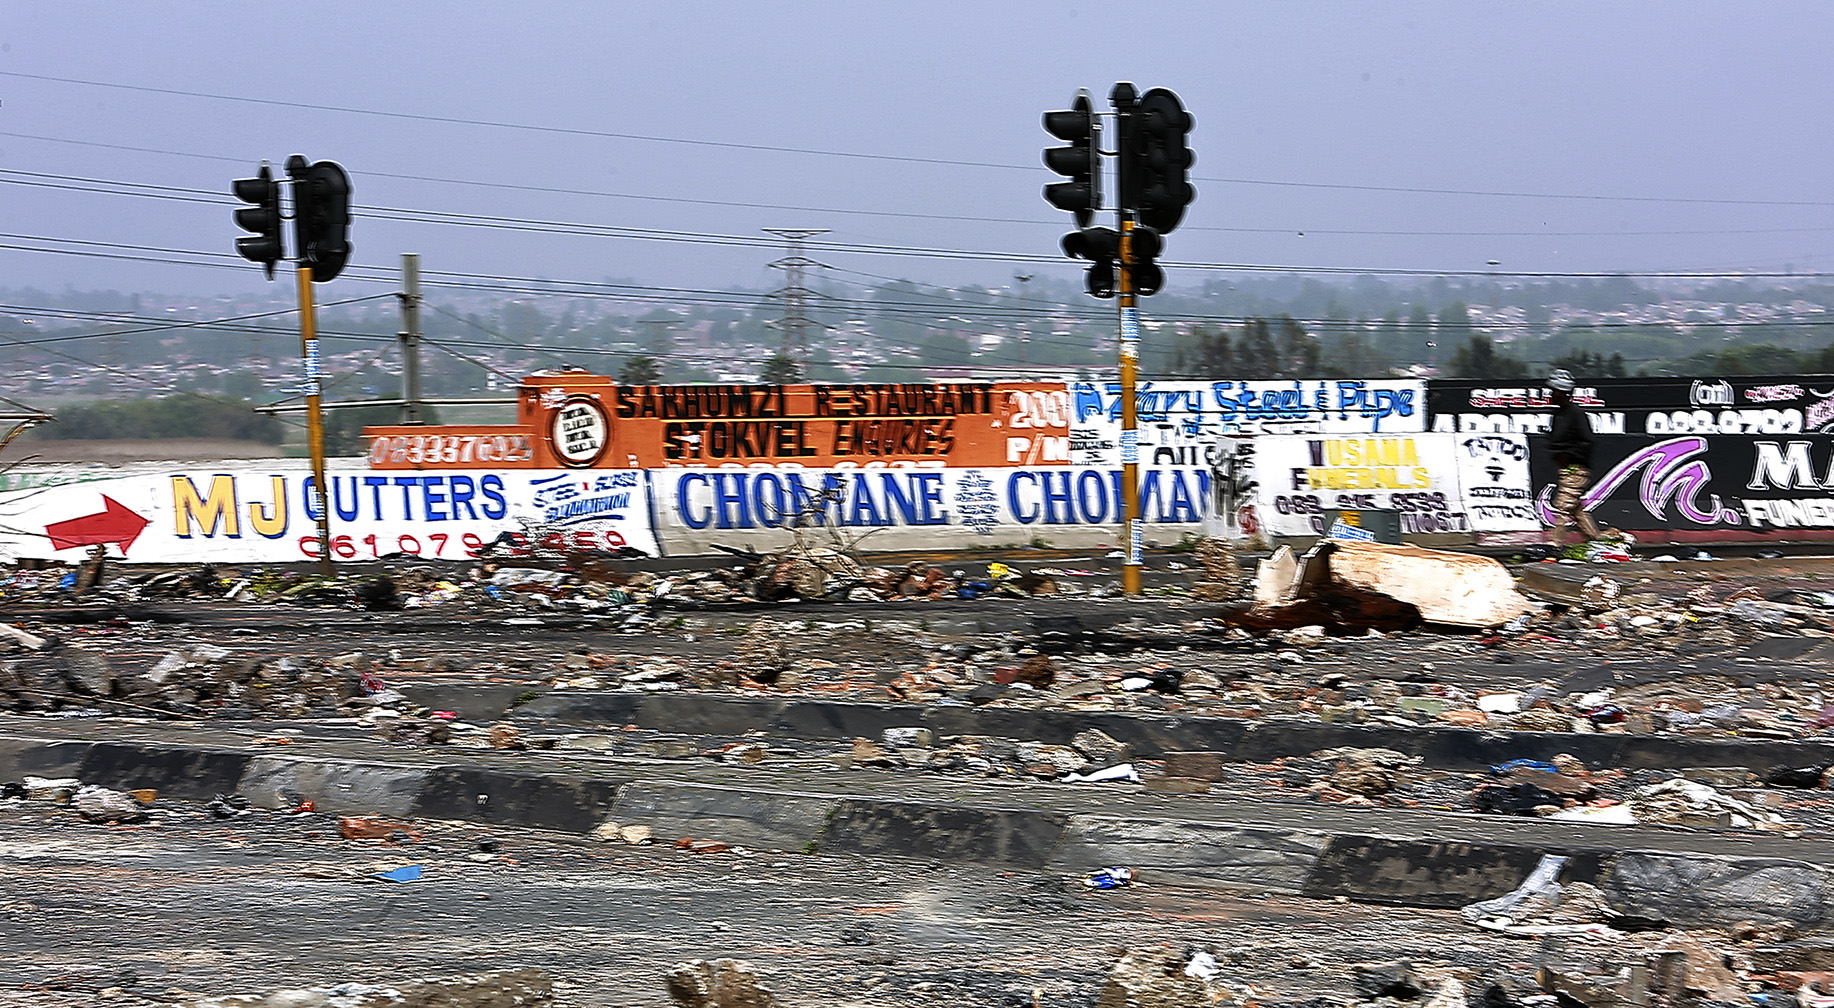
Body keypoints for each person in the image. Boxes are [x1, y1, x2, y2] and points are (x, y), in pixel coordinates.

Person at [1544, 369, 1604, 549]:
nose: (1550, 394)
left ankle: (1555, 544)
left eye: (1554, 391)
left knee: (1563, 506)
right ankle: (1596, 541)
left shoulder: (1575, 414)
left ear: (1562, 393)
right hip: (1565, 468)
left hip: (1576, 469)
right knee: (1576, 509)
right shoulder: (1558, 415)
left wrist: (1570, 455)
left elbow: (1588, 441)